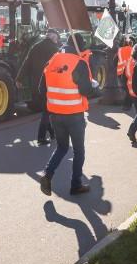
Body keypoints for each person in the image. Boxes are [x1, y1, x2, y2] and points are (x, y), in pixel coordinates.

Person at [39, 33, 99, 196]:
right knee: (79, 151)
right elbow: (85, 90)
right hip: (74, 114)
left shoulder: (52, 60)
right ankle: (76, 184)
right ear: (79, 47)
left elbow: (41, 89)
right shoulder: (79, 63)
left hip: (55, 113)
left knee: (62, 147)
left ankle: (47, 174)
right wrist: (95, 87)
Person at [17, 29, 60, 145]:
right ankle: (41, 137)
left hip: (36, 84)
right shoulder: (55, 49)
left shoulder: (35, 46)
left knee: (46, 109)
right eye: (57, 38)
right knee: (48, 111)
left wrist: (19, 78)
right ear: (54, 37)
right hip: (49, 84)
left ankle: (52, 133)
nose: (57, 40)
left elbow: (26, 63)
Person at [117, 37, 134, 110]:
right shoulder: (133, 49)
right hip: (130, 71)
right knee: (129, 88)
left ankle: (126, 104)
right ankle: (127, 104)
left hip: (121, 71)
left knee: (125, 88)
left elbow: (115, 60)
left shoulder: (120, 50)